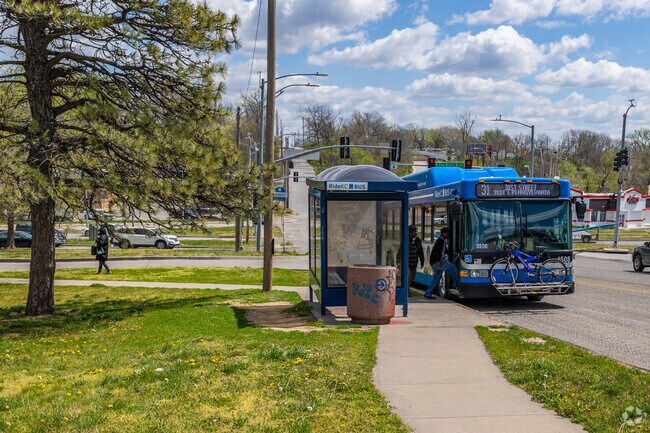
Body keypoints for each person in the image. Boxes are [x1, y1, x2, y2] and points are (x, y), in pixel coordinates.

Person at [424, 227, 459, 299]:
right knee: (453, 268)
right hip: (439, 261)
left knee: (437, 279)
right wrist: (438, 261)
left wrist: (453, 253)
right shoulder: (440, 241)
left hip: (435, 262)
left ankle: (428, 293)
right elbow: (437, 251)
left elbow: (445, 250)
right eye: (447, 233)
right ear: (444, 233)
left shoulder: (441, 240)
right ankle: (457, 285)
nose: (448, 235)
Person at [406, 224, 424, 296]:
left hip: (414, 262)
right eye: (415, 231)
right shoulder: (406, 239)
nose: (416, 233)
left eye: (416, 231)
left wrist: (422, 261)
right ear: (410, 232)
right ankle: (407, 291)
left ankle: (407, 288)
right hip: (407, 262)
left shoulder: (418, 240)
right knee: (408, 276)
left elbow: (420, 251)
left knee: (413, 277)